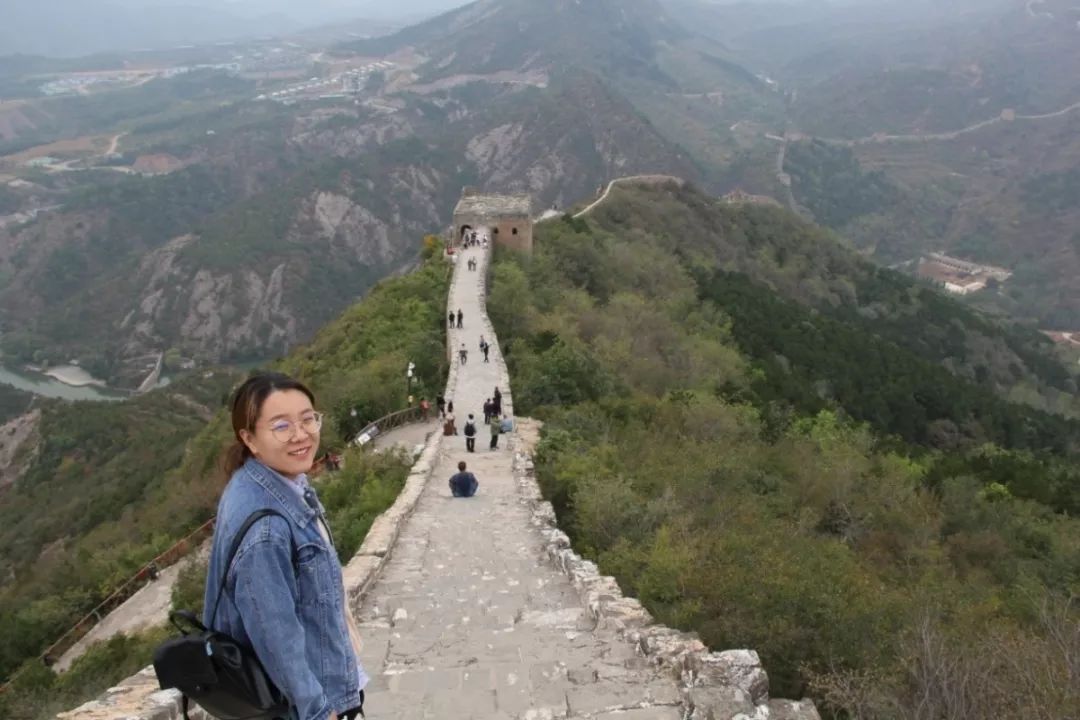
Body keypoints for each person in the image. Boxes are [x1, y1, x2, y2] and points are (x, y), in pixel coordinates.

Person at [204, 373, 368, 720]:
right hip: (312, 703)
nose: (301, 434)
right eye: (281, 426)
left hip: (329, 678)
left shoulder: (266, 482)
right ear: (249, 438)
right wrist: (319, 711)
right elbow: (277, 637)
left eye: (308, 419)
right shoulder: (266, 529)